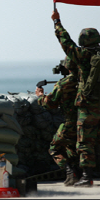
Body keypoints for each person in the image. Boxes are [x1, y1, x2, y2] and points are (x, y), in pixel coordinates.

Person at [51, 9, 100, 187]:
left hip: (88, 106)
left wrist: (57, 22)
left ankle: (87, 177)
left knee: (85, 142)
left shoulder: (83, 56)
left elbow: (66, 43)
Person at [35, 57, 81, 186]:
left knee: (54, 148)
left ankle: (71, 173)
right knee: (72, 149)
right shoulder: (86, 82)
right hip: (89, 122)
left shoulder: (64, 83)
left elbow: (49, 103)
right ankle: (81, 174)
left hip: (71, 123)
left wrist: (40, 96)